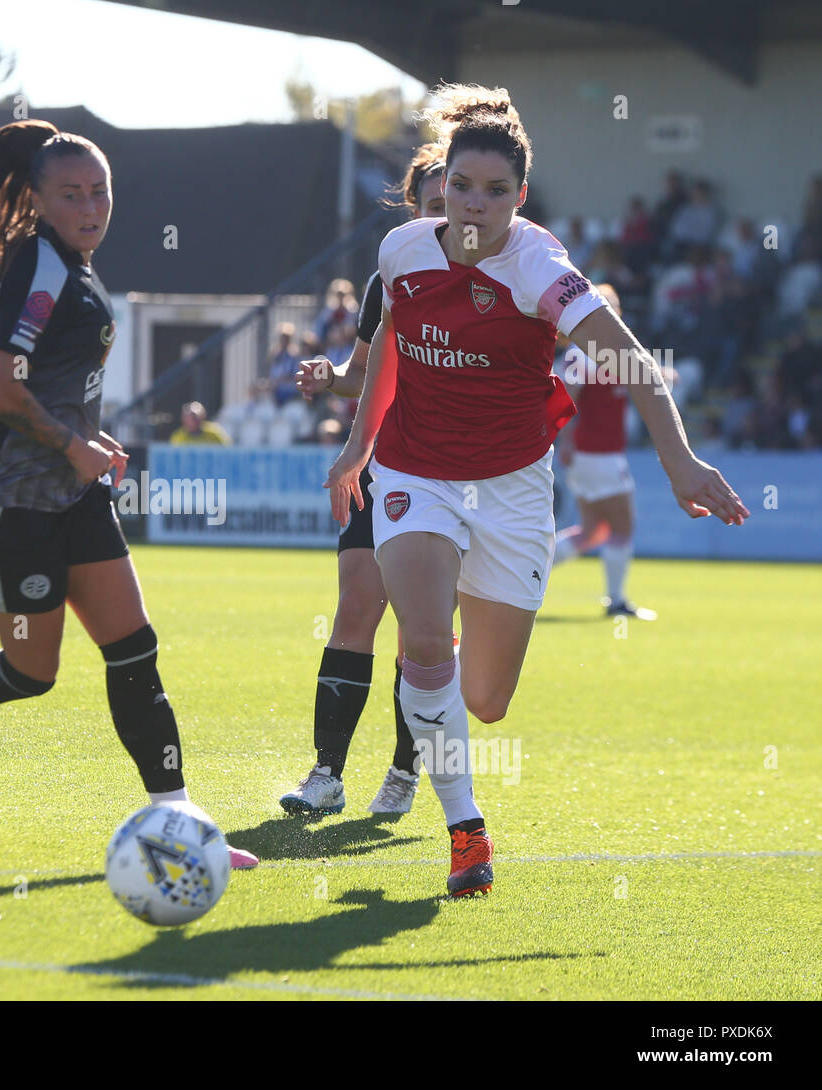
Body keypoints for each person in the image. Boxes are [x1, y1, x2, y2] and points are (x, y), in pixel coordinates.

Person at [323, 84, 748, 898]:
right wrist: (358, 447)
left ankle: (449, 770)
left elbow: (633, 364)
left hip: (514, 488)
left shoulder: (542, 269)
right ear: (438, 182)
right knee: (422, 641)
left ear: (521, 196)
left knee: (485, 701)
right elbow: (387, 354)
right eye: (461, 186)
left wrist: (680, 462)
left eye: (496, 192)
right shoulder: (402, 252)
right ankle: (463, 828)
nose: (475, 205)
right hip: (414, 471)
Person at [0, 118, 258, 868]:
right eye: (71, 194)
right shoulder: (41, 265)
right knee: (31, 673)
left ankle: (177, 822)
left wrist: (85, 444)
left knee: (134, 649)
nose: (91, 205)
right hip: (6, 502)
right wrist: (71, 442)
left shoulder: (75, 263)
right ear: (37, 199)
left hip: (72, 494)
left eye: (100, 191)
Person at [278, 142, 449, 821]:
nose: (449, 218)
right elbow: (368, 375)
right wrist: (331, 378)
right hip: (384, 465)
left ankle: (405, 774)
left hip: (449, 478)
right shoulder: (391, 276)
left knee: (421, 632)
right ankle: (326, 774)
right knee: (355, 610)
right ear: (416, 209)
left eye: (458, 204)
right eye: (435, 205)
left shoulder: (497, 273)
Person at [551, 284, 661, 619]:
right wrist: (566, 440)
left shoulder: (603, 354)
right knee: (621, 527)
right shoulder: (588, 356)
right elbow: (566, 399)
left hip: (593, 454)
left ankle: (523, 571)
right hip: (597, 454)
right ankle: (615, 601)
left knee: (592, 530)